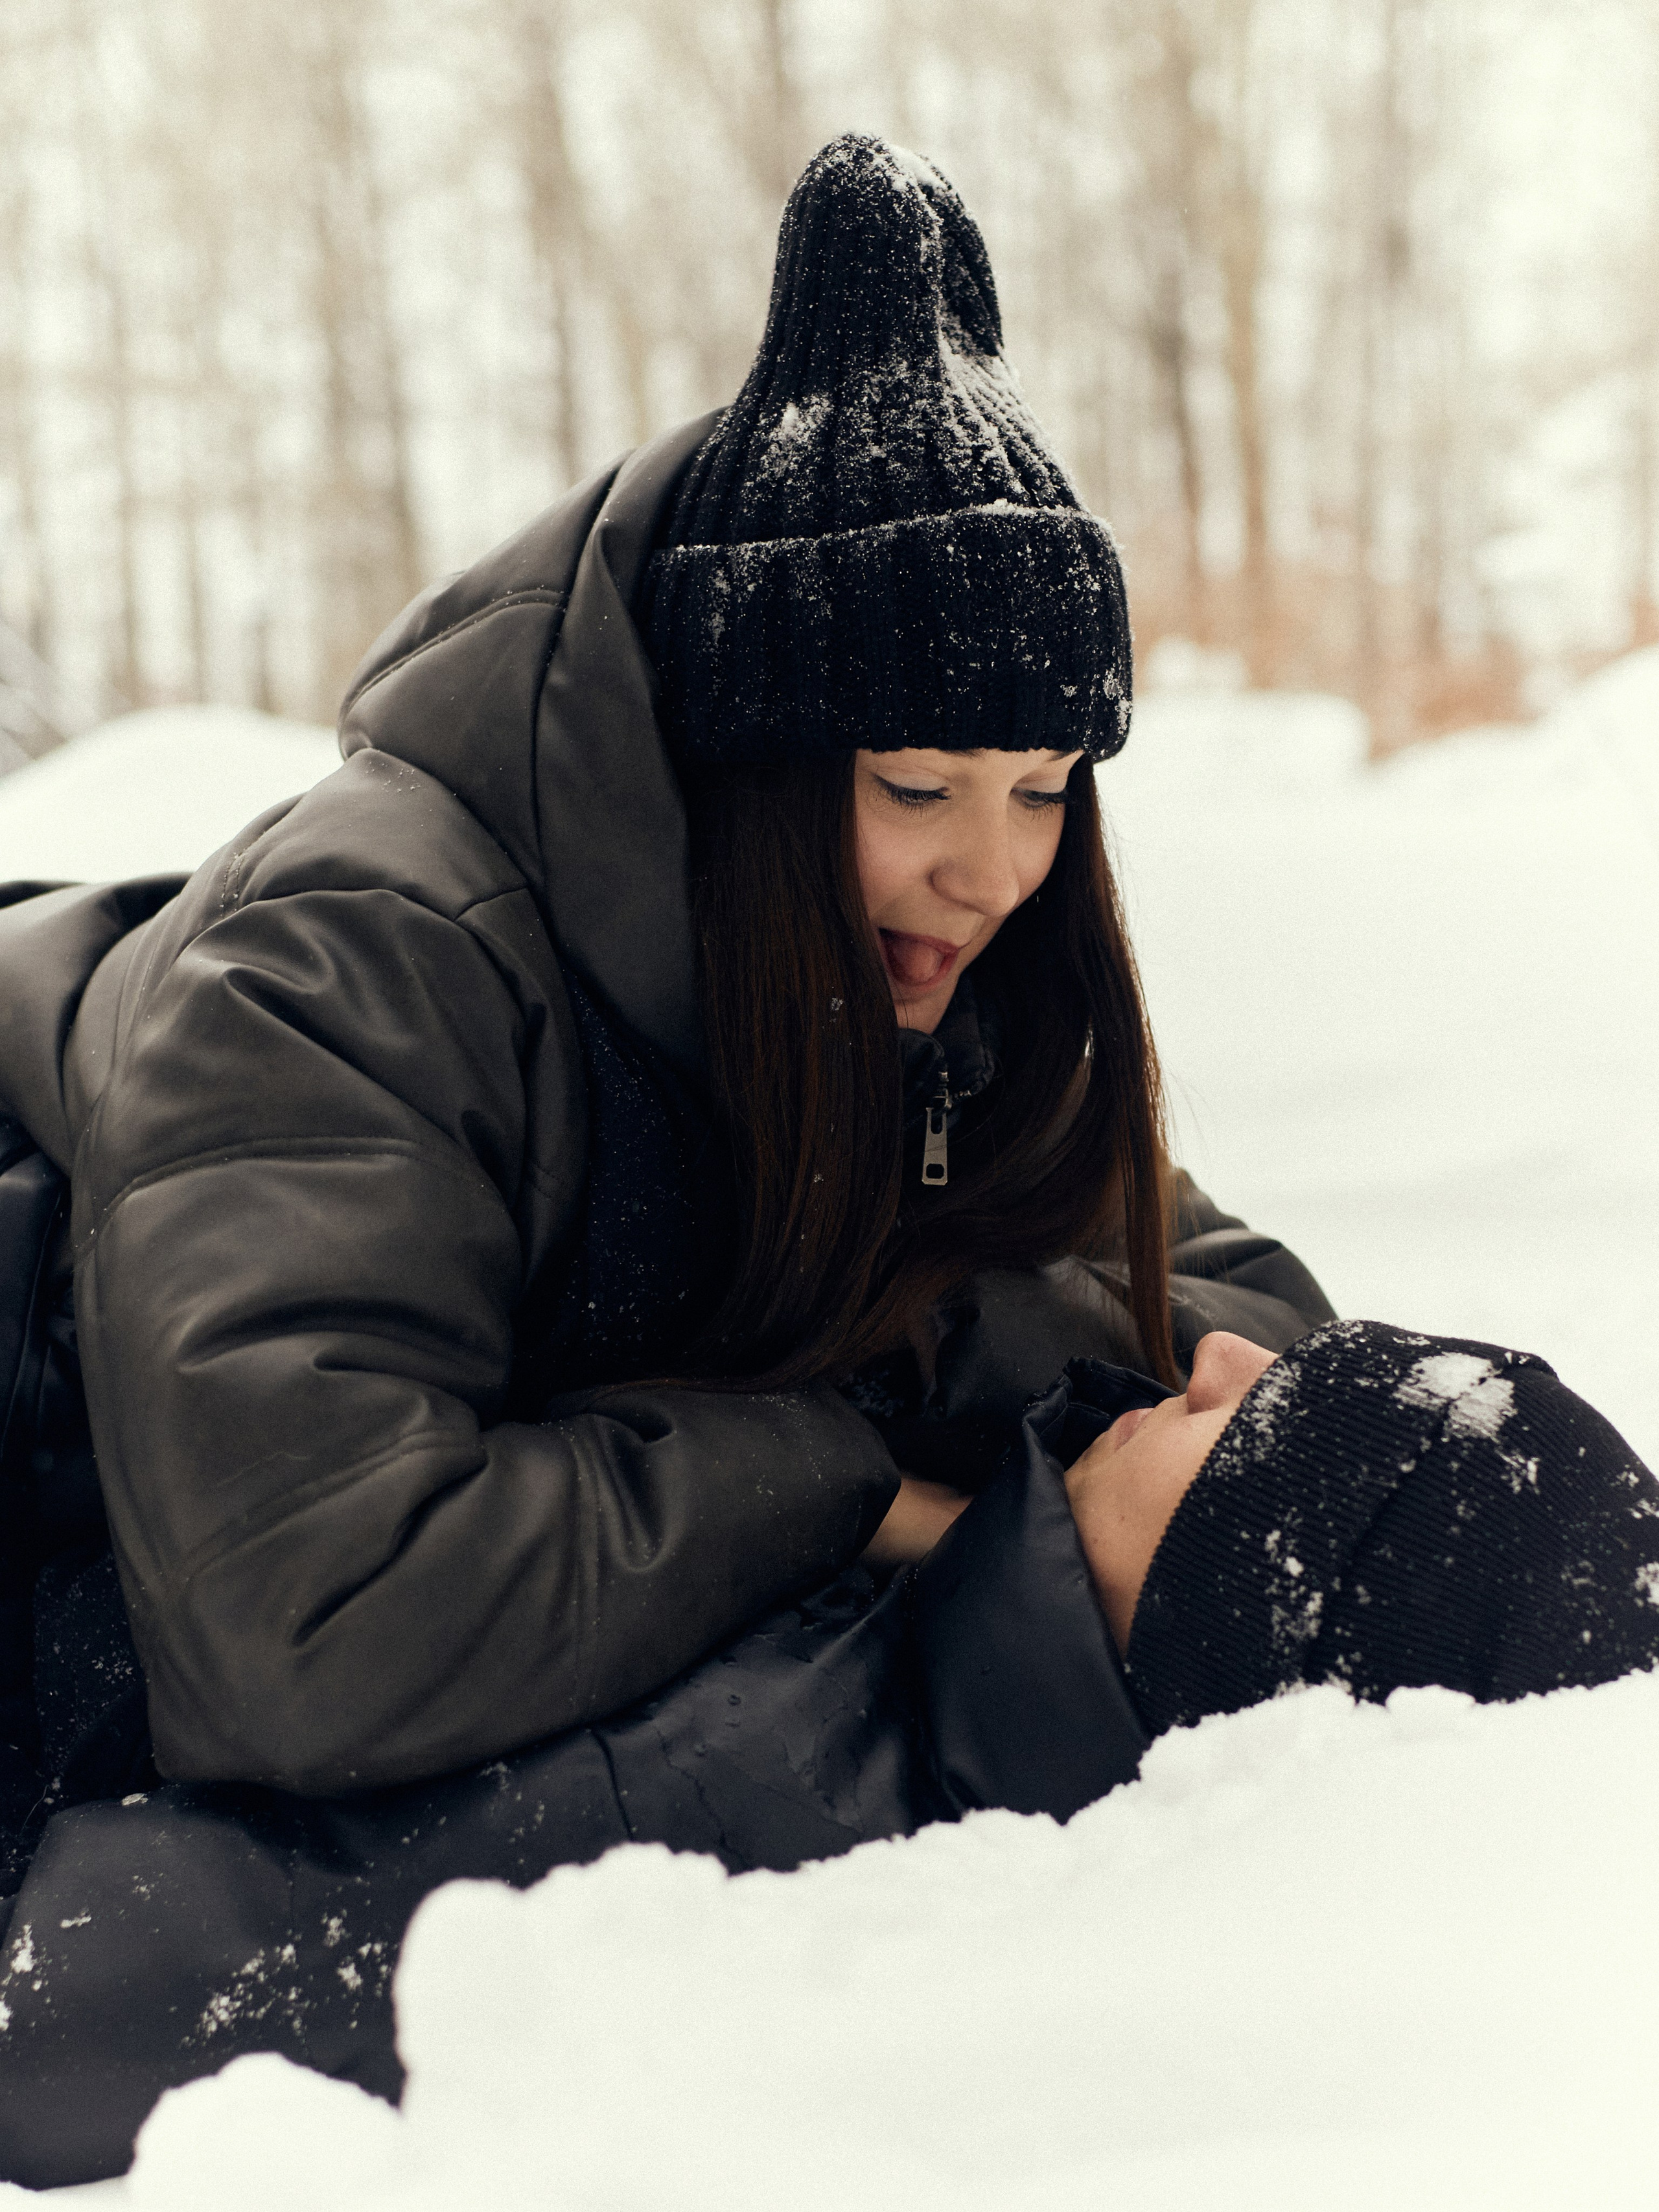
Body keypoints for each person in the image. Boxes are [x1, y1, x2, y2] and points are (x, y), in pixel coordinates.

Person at [4, 133, 1645, 2183]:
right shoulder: (357, 964)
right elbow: (308, 1630)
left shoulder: (925, 964)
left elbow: (1209, 1317)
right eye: (918, 781)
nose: (996, 859)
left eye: (1048, 790)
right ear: (745, 765)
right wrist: (848, 1470)